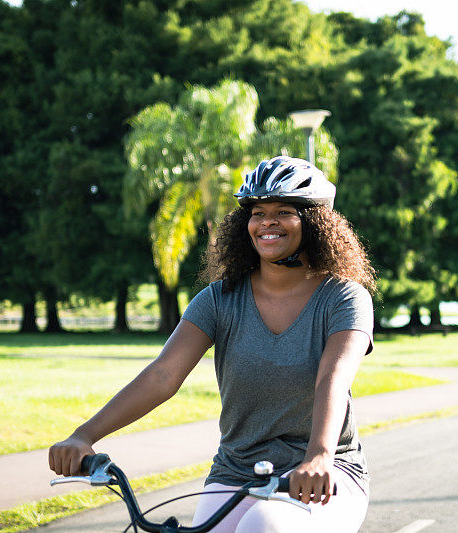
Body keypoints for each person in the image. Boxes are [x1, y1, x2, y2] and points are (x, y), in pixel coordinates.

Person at [49, 156, 376, 532]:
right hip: (236, 472)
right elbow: (163, 374)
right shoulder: (220, 299)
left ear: (315, 222)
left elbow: (332, 378)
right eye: (257, 212)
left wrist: (319, 456)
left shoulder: (344, 298)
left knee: (265, 525)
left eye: (284, 211)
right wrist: (84, 436)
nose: (267, 221)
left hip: (323, 474)